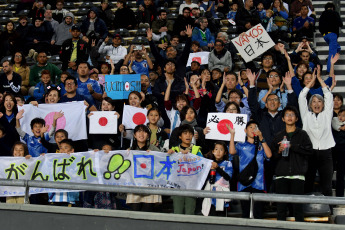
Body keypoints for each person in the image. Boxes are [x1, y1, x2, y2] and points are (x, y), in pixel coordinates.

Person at [271, 106, 313, 222]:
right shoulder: (278, 136)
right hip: (281, 175)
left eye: (292, 115)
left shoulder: (302, 134)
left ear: (297, 119)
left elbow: (309, 151)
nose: (290, 117)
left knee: (298, 208)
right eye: (287, 115)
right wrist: (279, 151)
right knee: (281, 208)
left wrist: (292, 146)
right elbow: (272, 157)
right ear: (283, 119)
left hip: (297, 175)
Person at [298, 68, 335, 197]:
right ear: (310, 104)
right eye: (313, 101)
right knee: (307, 183)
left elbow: (329, 96)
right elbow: (302, 96)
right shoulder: (306, 115)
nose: (317, 104)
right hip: (310, 153)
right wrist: (311, 81)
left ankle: (329, 211)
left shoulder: (327, 114)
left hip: (326, 153)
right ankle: (305, 211)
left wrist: (319, 79)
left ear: (323, 104)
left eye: (319, 101)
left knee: (327, 185)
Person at [229, 120, 272, 219]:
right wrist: (232, 135)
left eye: (255, 127)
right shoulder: (241, 145)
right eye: (250, 127)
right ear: (245, 130)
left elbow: (269, 155)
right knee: (245, 212)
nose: (253, 129)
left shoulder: (262, 145)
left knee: (258, 213)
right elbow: (232, 152)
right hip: (244, 182)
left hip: (259, 182)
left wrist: (262, 139)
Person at [168, 124, 203, 215]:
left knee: (190, 212)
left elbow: (202, 164)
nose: (188, 135)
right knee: (177, 212)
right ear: (180, 136)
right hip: (177, 185)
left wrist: (190, 157)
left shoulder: (196, 150)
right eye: (185, 133)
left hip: (191, 185)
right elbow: (168, 165)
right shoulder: (174, 150)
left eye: (190, 133)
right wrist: (170, 154)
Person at [126, 125, 161, 211]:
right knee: (135, 213)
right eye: (139, 131)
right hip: (135, 186)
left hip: (150, 186)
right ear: (134, 135)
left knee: (147, 213)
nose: (141, 134)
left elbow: (162, 163)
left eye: (144, 131)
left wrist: (154, 155)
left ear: (148, 135)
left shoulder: (154, 149)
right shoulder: (129, 151)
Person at [202, 141, 232, 216]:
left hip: (222, 195)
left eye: (221, 150)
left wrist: (217, 168)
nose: (218, 152)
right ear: (212, 151)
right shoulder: (209, 163)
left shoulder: (227, 163)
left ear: (225, 152)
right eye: (216, 149)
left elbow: (228, 177)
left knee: (221, 219)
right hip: (210, 194)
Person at [48, 139, 80, 207]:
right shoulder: (54, 162)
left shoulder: (76, 162)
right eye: (61, 148)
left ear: (72, 150)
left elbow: (77, 176)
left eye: (66, 148)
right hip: (54, 198)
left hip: (70, 200)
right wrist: (43, 158)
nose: (62, 150)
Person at [319, 2, 343, 74]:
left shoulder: (322, 14)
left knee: (337, 48)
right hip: (333, 35)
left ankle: (337, 50)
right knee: (332, 53)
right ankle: (329, 70)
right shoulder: (335, 13)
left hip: (325, 35)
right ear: (333, 8)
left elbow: (319, 26)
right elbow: (340, 24)